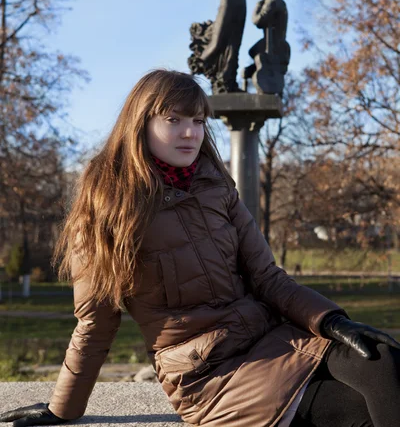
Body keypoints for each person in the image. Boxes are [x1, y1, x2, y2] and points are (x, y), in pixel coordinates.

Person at [1, 69, 400, 427]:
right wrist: (61, 408)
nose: (190, 132)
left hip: (272, 339)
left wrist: (332, 321)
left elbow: (267, 278)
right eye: (173, 120)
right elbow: (96, 322)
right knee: (358, 412)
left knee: (383, 358)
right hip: (208, 373)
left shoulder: (216, 186)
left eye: (197, 120)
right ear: (140, 124)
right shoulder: (106, 207)